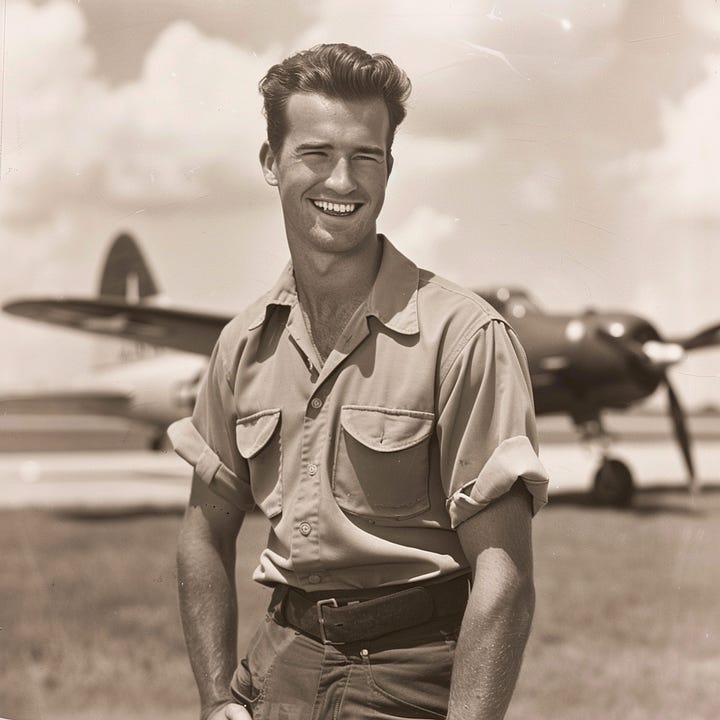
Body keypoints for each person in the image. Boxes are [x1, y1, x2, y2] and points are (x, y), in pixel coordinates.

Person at [169, 43, 549, 720]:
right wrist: (215, 698)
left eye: (365, 157)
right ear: (271, 162)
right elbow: (204, 531)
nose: (341, 181)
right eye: (316, 153)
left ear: (388, 169)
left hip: (414, 676)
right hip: (280, 663)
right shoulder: (242, 345)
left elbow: (505, 578)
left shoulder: (464, 337)